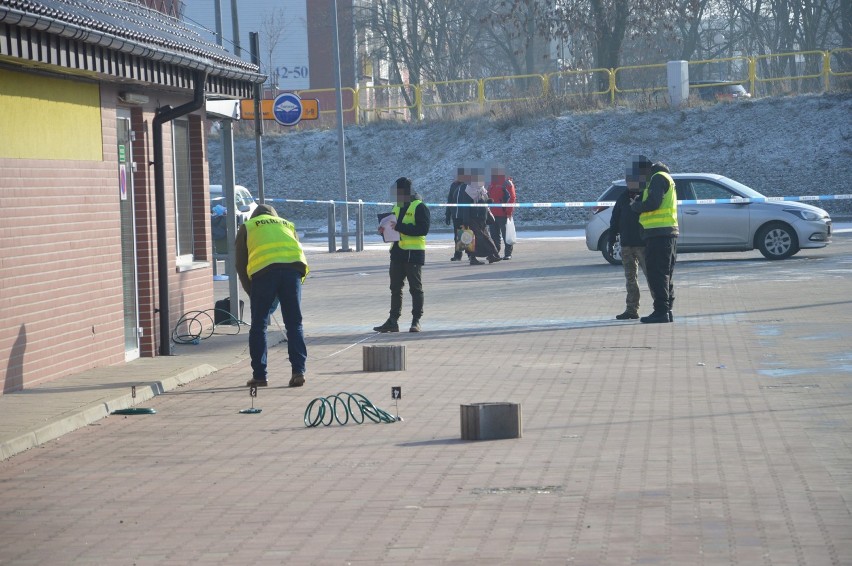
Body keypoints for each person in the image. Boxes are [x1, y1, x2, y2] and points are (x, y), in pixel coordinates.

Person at [235, 204, 309, 387]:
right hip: (293, 273)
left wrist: (251, 291)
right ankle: (298, 371)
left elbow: (240, 263)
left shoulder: (248, 226)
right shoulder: (287, 224)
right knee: (294, 324)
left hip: (264, 274)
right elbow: (297, 253)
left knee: (259, 325)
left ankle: (260, 376)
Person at [373, 177, 431, 333]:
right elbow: (394, 228)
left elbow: (423, 230)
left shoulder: (420, 207)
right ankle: (393, 321)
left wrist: (400, 227)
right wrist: (383, 231)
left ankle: (416, 320)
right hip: (397, 253)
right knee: (395, 289)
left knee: (415, 289)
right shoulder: (397, 207)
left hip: (413, 254)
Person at [629, 156, 678, 323]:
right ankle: (667, 310)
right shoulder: (664, 178)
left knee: (657, 274)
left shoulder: (657, 178)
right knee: (665, 273)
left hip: (658, 233)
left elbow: (653, 203)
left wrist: (635, 206)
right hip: (665, 232)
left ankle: (661, 312)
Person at [609, 174, 653, 320]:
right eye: (628, 182)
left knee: (652, 278)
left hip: (643, 244)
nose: (630, 184)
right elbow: (615, 219)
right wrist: (612, 240)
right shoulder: (622, 197)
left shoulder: (645, 196)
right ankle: (631, 309)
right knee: (630, 279)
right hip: (626, 245)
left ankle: (660, 307)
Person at [462, 177, 501, 265]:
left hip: (482, 219)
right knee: (475, 239)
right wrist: (466, 220)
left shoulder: (483, 191)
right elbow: (465, 206)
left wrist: (489, 202)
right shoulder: (468, 191)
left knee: (486, 237)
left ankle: (491, 256)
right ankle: (473, 258)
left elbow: (485, 201)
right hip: (472, 219)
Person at [487, 165, 516, 260]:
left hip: (503, 214)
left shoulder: (507, 182)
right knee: (494, 236)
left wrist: (509, 211)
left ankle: (508, 253)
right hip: (492, 214)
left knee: (506, 235)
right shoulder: (491, 184)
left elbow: (512, 198)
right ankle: (495, 253)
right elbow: (488, 197)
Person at [445, 168, 469, 261]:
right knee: (457, 236)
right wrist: (448, 214)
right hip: (456, 215)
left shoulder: (468, 186)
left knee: (466, 235)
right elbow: (450, 200)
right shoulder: (453, 185)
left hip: (466, 215)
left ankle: (470, 255)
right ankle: (458, 255)